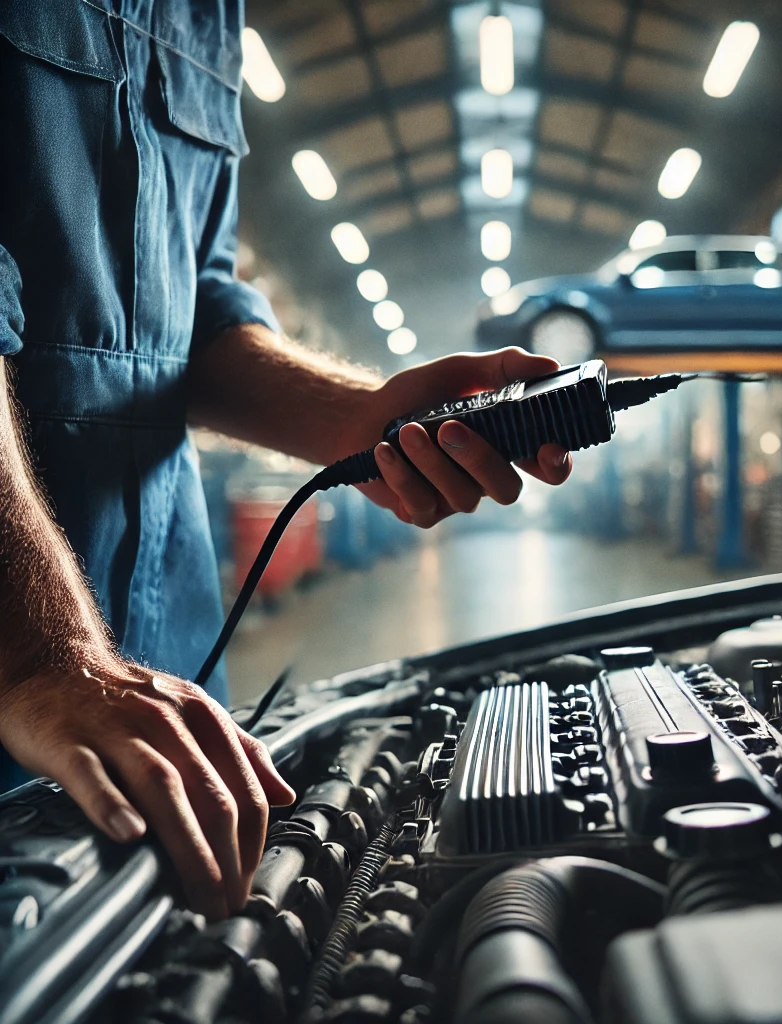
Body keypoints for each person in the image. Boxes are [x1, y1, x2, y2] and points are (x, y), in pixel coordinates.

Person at [0, 1, 571, 921]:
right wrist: (42, 652)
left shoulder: (208, 17)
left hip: (175, 677)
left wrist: (358, 418)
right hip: (26, 681)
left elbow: (195, 307)